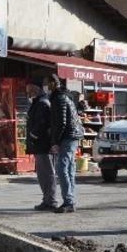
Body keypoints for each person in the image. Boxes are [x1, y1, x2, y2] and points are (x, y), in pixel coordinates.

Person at [45, 75, 84, 213]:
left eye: (46, 84)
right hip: (72, 135)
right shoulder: (63, 95)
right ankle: (70, 200)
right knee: (69, 168)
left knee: (62, 168)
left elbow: (61, 123)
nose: (45, 88)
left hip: (68, 136)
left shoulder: (59, 98)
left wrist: (55, 142)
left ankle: (69, 201)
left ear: (52, 84)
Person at [25, 82, 57, 210]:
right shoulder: (40, 102)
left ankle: (51, 201)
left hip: (43, 144)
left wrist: (33, 135)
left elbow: (42, 123)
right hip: (40, 144)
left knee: (46, 173)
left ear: (36, 89)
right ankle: (47, 199)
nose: (28, 93)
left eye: (30, 90)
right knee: (43, 174)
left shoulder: (42, 103)